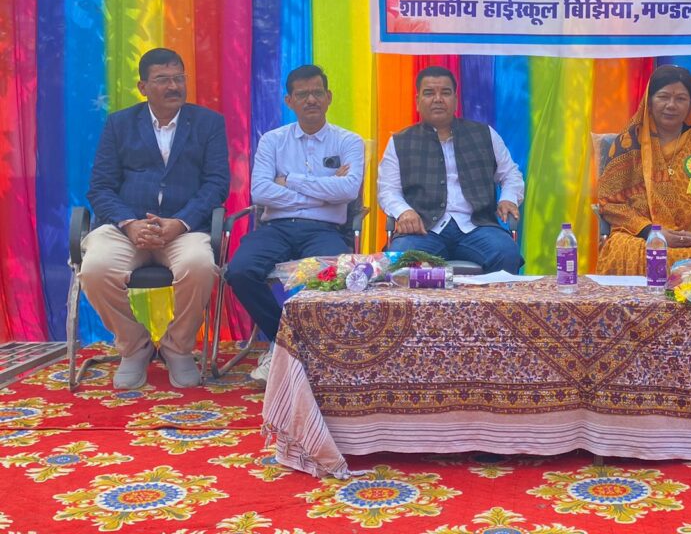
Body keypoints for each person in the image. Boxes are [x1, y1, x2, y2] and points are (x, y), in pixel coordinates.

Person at [82, 48, 229, 389]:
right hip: (126, 228)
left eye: (179, 78)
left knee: (199, 265)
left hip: (183, 228)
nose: (173, 86)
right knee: (95, 269)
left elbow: (217, 184)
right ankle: (135, 347)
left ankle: (177, 347)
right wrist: (129, 224)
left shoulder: (208, 123)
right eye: (163, 80)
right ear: (143, 87)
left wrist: (180, 222)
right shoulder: (119, 124)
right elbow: (100, 187)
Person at [225, 65, 364, 383]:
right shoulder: (272, 141)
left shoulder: (349, 141)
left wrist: (289, 180)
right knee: (240, 271)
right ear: (289, 101)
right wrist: (324, 193)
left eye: (317, 93)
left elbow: (347, 190)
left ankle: (300, 349)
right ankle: (286, 342)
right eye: (302, 94)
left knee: (334, 275)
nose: (311, 100)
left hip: (325, 230)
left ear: (329, 97)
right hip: (277, 228)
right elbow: (261, 192)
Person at [596, 65, 691, 274]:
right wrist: (652, 232)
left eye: (681, 98)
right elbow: (610, 202)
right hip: (642, 237)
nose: (671, 105)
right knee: (625, 252)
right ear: (649, 100)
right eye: (663, 97)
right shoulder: (629, 141)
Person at [378, 65, 523, 273]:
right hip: (424, 230)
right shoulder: (400, 141)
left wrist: (508, 198)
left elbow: (510, 174)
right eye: (429, 93)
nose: (438, 99)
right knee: (400, 258)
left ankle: (493, 298)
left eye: (445, 93)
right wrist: (404, 212)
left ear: (455, 100)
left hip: (477, 227)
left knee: (507, 253)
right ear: (418, 101)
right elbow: (388, 189)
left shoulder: (484, 134)